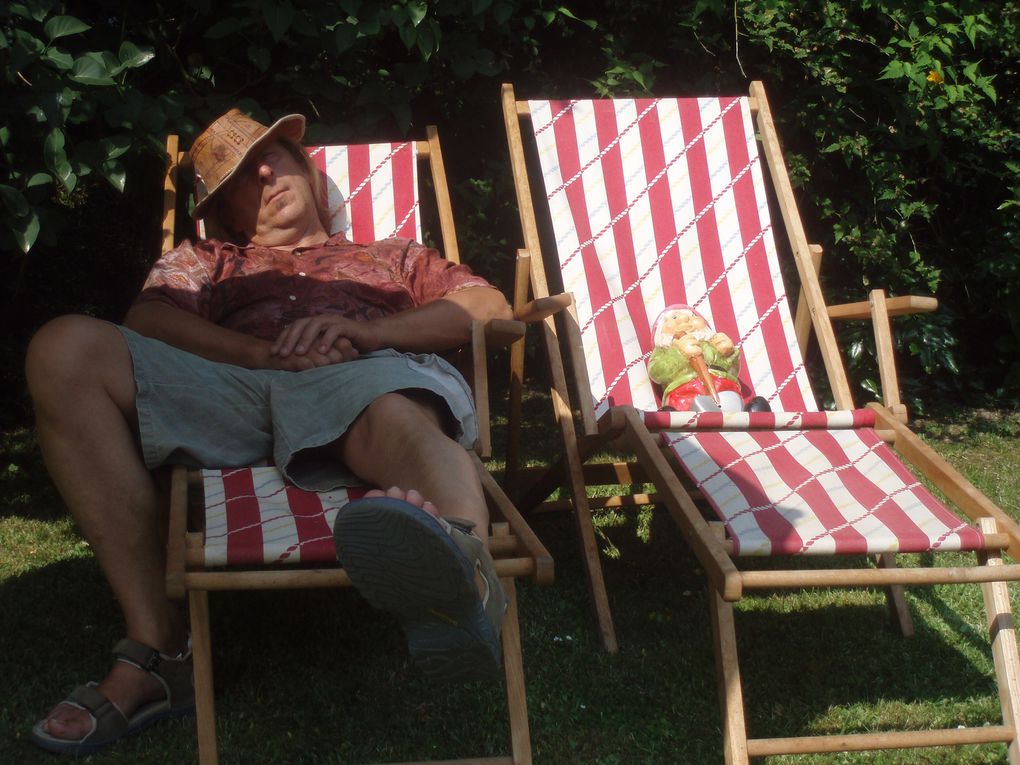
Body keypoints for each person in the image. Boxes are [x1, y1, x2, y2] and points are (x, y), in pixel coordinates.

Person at [25, 107, 513, 755]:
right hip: (238, 386)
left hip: (360, 373)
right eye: (240, 179)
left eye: (273, 155)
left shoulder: (388, 254)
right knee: (64, 349)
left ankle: (461, 570)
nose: (264, 172)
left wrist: (368, 333)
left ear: (307, 169)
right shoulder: (208, 258)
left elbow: (488, 306)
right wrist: (258, 355)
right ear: (226, 213)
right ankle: (162, 649)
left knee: (392, 404)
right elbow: (148, 320)